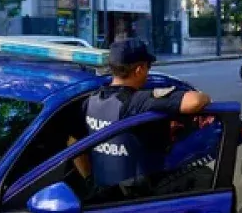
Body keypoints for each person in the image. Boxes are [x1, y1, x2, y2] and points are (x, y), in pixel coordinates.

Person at [82, 39, 211, 199]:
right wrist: (205, 97)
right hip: (138, 195)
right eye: (148, 67)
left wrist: (88, 179)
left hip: (104, 193)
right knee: (204, 176)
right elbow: (195, 101)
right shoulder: (135, 101)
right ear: (139, 69)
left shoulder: (91, 101)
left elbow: (72, 141)